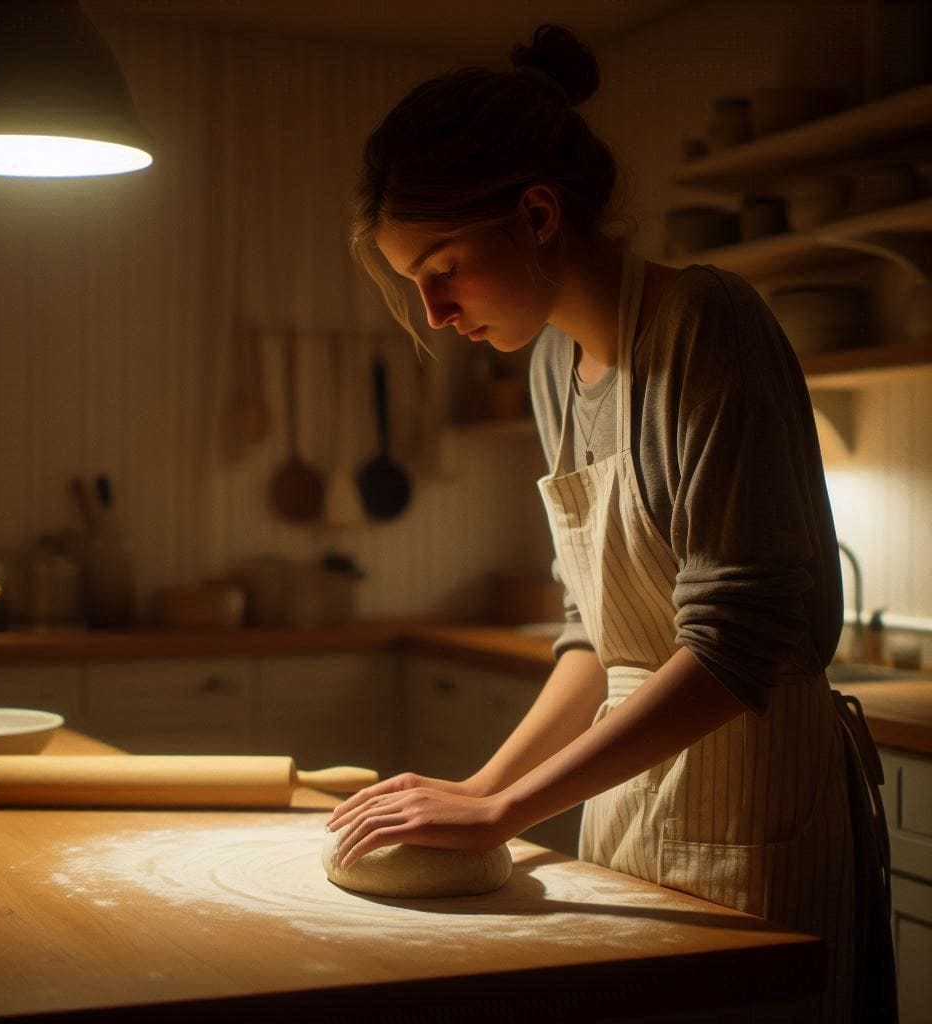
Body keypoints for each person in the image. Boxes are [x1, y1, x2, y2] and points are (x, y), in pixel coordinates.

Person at [328, 24, 895, 1023]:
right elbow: (595, 638)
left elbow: (734, 646)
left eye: (443, 267)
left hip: (753, 794)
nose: (432, 313)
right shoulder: (554, 365)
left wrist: (506, 809)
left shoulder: (708, 327)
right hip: (632, 795)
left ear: (538, 214)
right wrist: (480, 788)